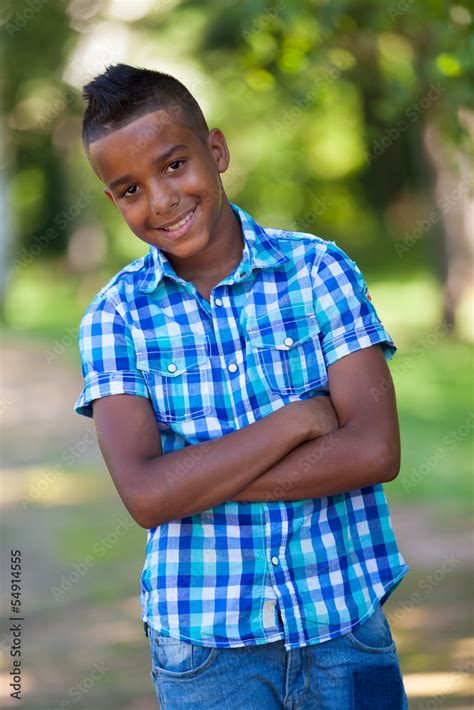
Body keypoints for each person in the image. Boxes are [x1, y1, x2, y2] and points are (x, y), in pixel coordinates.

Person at [74, 63, 410, 709]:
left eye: (175, 166)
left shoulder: (318, 271)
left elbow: (374, 452)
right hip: (206, 651)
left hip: (343, 624)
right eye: (129, 189)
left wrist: (190, 481)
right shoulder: (115, 319)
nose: (162, 200)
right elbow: (146, 498)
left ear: (217, 150)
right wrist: (295, 423)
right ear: (113, 200)